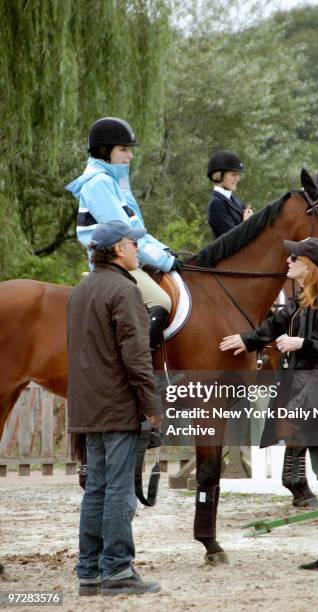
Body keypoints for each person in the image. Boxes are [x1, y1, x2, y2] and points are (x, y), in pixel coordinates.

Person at [220, 237, 318, 571]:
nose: (287, 260)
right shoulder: (300, 302)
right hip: (309, 395)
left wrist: (302, 343)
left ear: (308, 264)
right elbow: (273, 326)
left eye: (294, 256)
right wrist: (245, 340)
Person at [67, 220, 163, 596]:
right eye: (133, 244)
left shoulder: (80, 290)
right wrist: (151, 404)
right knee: (119, 491)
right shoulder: (125, 290)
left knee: (96, 489)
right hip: (117, 406)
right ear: (118, 249)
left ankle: (88, 573)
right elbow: (137, 357)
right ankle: (118, 571)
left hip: (88, 406)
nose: (138, 250)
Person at [66, 116, 182, 348]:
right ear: (104, 151)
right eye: (124, 150)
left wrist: (166, 253)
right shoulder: (98, 183)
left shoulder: (111, 182)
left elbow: (138, 232)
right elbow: (124, 235)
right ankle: (136, 369)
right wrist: (164, 261)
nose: (130, 156)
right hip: (114, 263)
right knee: (161, 301)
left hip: (128, 259)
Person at [206, 151, 253, 238]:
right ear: (219, 176)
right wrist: (247, 222)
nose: (237, 179)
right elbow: (233, 239)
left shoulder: (234, 199)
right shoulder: (216, 204)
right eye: (233, 175)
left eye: (238, 175)